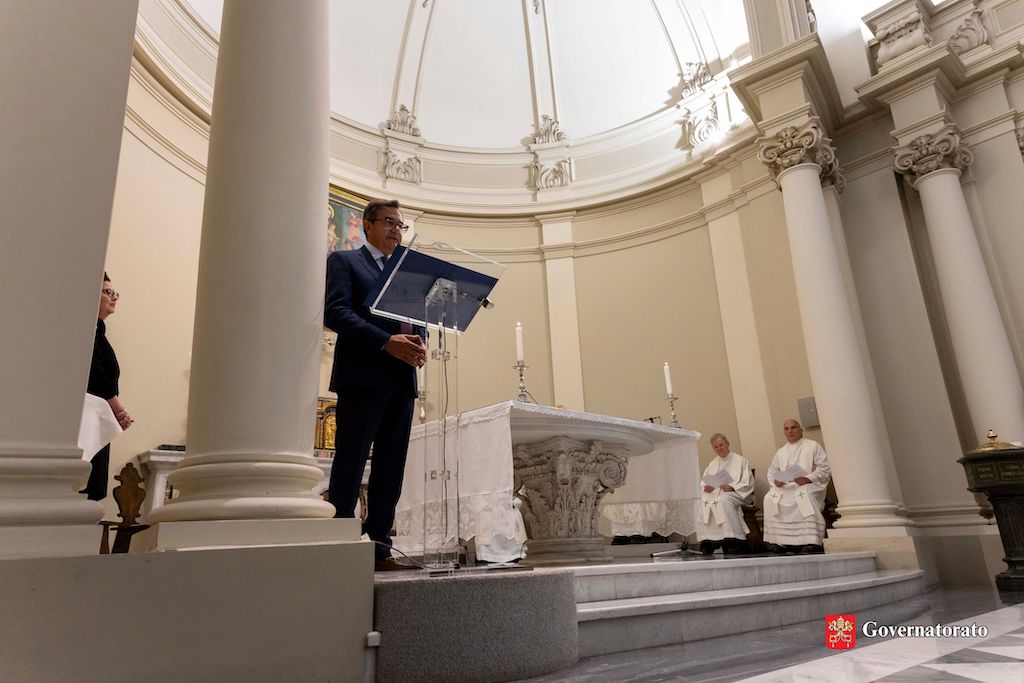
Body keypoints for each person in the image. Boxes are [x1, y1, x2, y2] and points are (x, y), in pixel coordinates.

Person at [325, 198, 426, 571]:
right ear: (366, 224)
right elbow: (336, 312)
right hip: (362, 377)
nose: (396, 230)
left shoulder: (404, 273)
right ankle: (339, 545)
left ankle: (380, 547)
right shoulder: (345, 261)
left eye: (400, 225)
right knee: (351, 460)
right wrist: (385, 342)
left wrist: (420, 342)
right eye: (389, 222)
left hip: (402, 379)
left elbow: (417, 320)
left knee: (391, 465)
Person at [81, 273, 133, 500]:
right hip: (88, 415)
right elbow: (95, 372)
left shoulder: (98, 331)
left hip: (99, 415)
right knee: (84, 486)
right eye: (107, 292)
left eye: (115, 293)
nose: (114, 297)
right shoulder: (86, 330)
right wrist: (118, 408)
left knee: (93, 489)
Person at [763, 419, 831, 554]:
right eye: (786, 429)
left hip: (808, 484)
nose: (790, 431)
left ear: (801, 430)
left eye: (793, 427)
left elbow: (824, 468)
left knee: (804, 495)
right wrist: (776, 481)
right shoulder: (781, 452)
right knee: (769, 497)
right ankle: (778, 541)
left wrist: (808, 478)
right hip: (786, 485)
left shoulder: (813, 446)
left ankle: (811, 541)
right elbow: (772, 472)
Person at [696, 433, 754, 556]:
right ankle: (708, 540)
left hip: (736, 494)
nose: (719, 448)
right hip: (716, 493)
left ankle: (734, 540)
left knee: (723, 500)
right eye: (716, 447)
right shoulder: (713, 464)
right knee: (701, 502)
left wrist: (732, 487)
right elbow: (704, 482)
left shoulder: (740, 461)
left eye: (721, 445)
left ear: (727, 444)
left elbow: (747, 482)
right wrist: (707, 487)